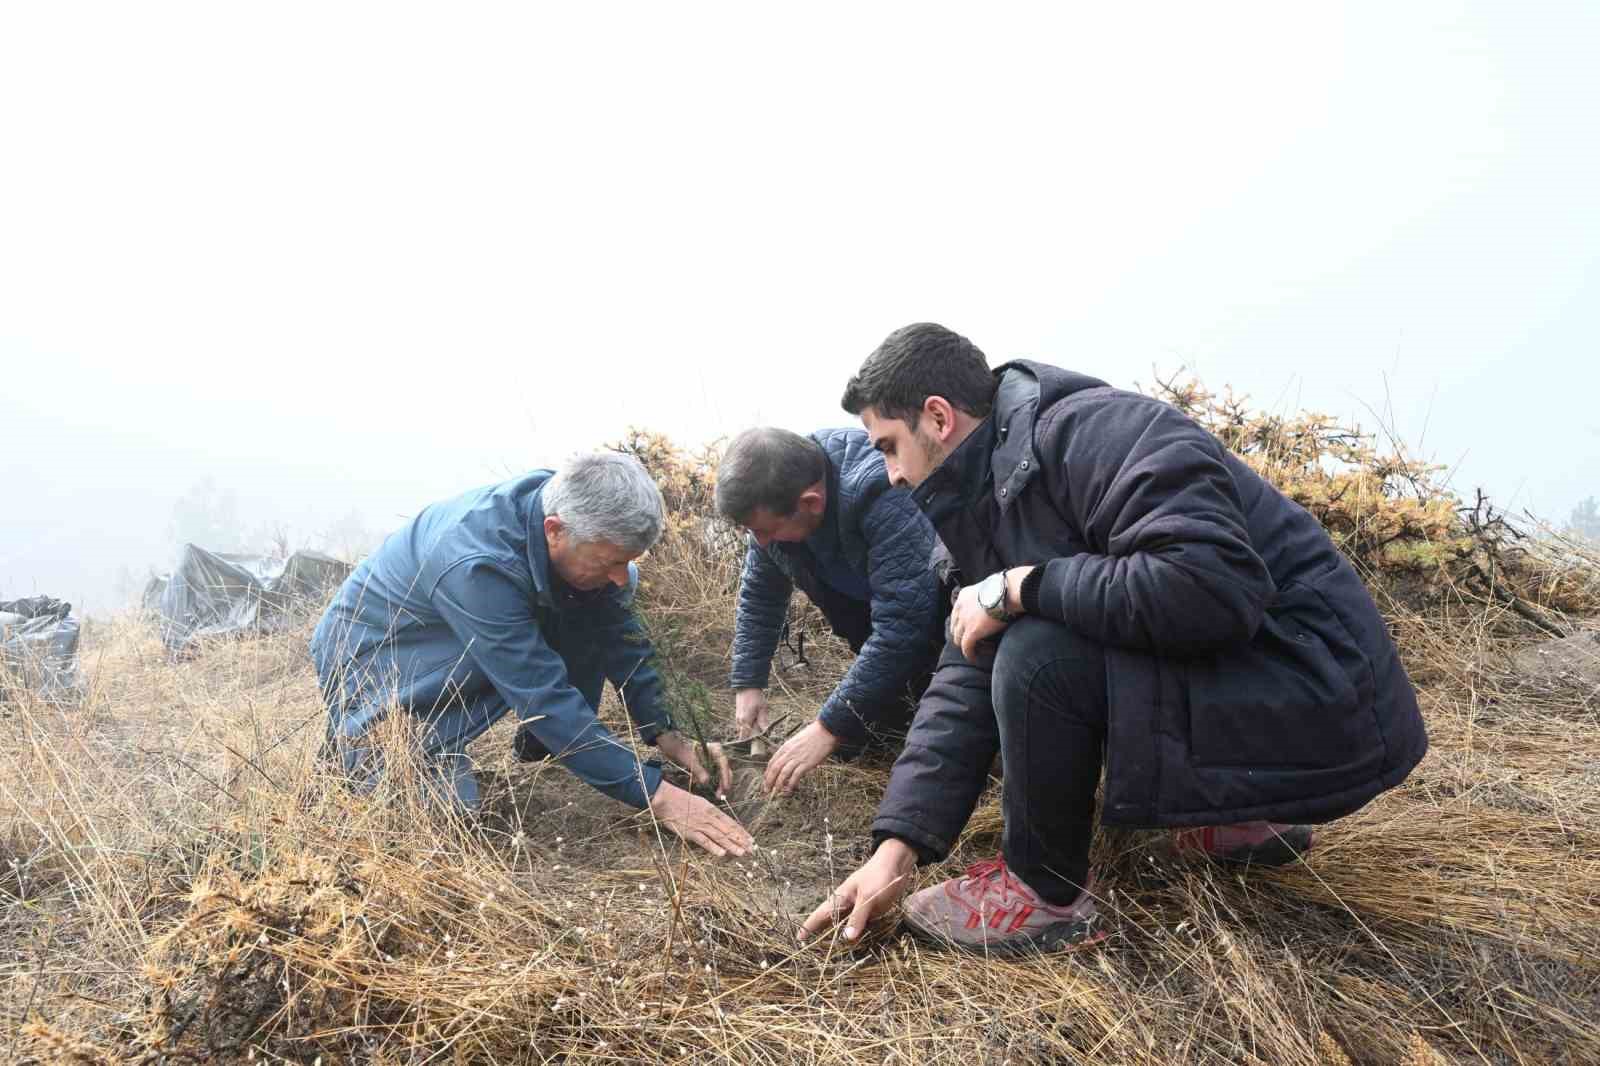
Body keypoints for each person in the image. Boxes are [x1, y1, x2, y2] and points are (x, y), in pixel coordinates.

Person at [800, 323, 1426, 953]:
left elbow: (1210, 588)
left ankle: (1044, 893)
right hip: (1267, 683)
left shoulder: (1095, 432)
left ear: (936, 417)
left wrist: (1024, 587)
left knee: (1037, 653)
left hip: (1324, 690)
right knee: (1015, 637)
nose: (889, 475)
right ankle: (1231, 818)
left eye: (887, 446)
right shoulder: (978, 499)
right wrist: (897, 847)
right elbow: (965, 665)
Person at [311, 452, 752, 859]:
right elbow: (543, 696)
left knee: (598, 600)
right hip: (379, 650)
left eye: (628, 561)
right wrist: (658, 796)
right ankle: (362, 753)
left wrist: (667, 731)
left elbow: (624, 640)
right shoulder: (477, 564)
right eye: (608, 562)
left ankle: (550, 749)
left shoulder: (576, 526)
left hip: (468, 629)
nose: (620, 577)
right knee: (435, 825)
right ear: (554, 531)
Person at [715, 427, 945, 794]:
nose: (758, 541)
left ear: (811, 503)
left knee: (938, 741)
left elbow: (905, 624)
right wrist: (749, 682)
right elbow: (760, 596)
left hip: (944, 622)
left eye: (764, 530)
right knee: (873, 738)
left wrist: (828, 727)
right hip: (870, 616)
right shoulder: (775, 504)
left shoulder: (881, 494)